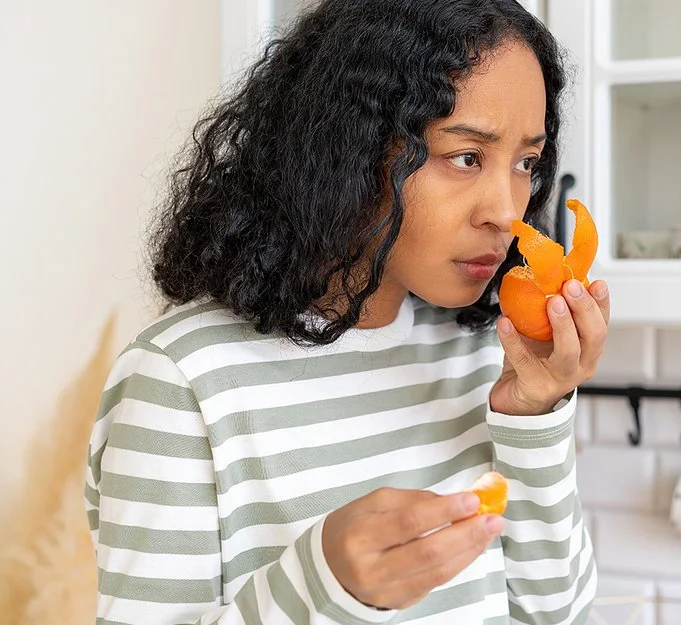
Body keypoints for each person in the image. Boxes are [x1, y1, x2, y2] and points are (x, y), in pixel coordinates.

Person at [84, 0, 609, 623]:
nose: (507, 210)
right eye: (466, 157)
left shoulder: (486, 355)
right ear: (349, 148)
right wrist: (322, 585)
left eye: (526, 163)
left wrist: (533, 419)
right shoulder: (183, 380)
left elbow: (556, 613)